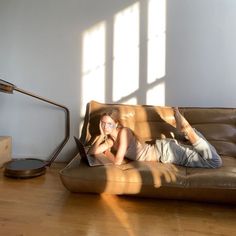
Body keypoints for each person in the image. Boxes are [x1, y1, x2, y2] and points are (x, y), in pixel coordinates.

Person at [88, 107, 222, 168]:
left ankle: (187, 130)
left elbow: (117, 162)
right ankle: (187, 131)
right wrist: (100, 136)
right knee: (211, 159)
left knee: (215, 162)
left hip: (165, 151)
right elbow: (92, 152)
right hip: (166, 148)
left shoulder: (123, 133)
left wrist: (107, 154)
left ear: (116, 123)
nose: (105, 127)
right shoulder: (111, 140)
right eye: (103, 123)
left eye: (109, 124)